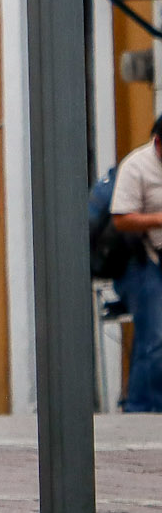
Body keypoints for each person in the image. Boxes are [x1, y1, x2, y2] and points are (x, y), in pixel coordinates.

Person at [108, 117, 162, 412]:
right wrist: (157, 219)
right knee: (154, 337)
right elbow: (121, 218)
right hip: (144, 259)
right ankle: (141, 408)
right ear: (158, 142)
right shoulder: (137, 167)